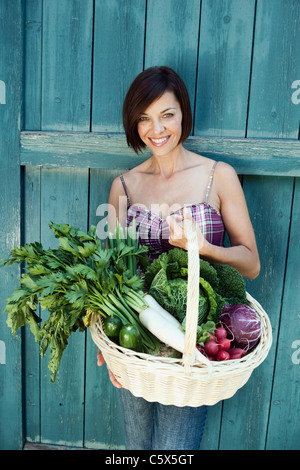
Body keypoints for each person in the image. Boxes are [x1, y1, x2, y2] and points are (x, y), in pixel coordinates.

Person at [97, 66, 260, 450]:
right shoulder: (122, 187)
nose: (156, 129)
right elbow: (112, 278)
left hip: (195, 340)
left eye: (167, 114)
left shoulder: (217, 176)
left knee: (173, 451)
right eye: (144, 118)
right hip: (136, 343)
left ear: (183, 113)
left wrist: (204, 247)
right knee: (137, 449)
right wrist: (108, 345)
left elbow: (251, 263)